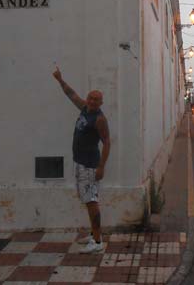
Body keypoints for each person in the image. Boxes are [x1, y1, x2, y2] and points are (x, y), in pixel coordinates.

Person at [53, 65, 111, 254]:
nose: (92, 101)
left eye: (96, 99)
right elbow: (71, 94)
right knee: (87, 200)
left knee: (91, 201)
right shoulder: (85, 109)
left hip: (90, 166)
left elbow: (107, 142)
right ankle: (94, 234)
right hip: (80, 163)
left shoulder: (99, 119)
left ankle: (97, 242)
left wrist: (101, 167)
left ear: (101, 102)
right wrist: (60, 79)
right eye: (90, 98)